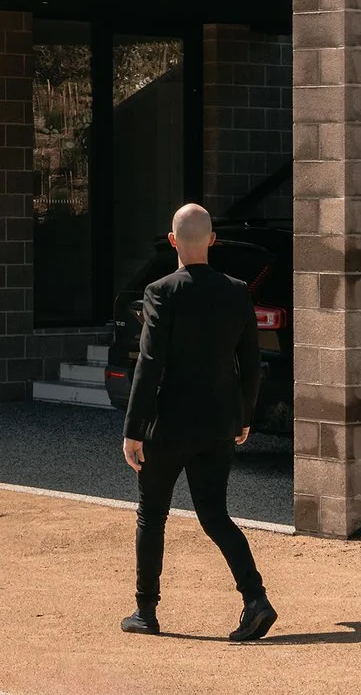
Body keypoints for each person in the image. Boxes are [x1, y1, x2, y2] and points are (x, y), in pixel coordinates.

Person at [119, 203, 277, 642]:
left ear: (173, 241)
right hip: (218, 424)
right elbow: (251, 362)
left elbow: (149, 364)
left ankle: (146, 611)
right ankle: (256, 599)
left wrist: (133, 429)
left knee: (152, 515)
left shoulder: (160, 292)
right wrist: (244, 416)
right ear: (212, 240)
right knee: (215, 515)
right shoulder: (237, 291)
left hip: (167, 426)